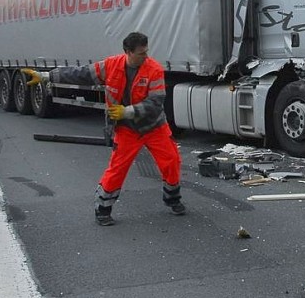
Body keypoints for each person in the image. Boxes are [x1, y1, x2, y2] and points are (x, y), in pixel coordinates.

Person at [22, 32, 184, 226]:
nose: (145, 56)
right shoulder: (110, 66)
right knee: (117, 169)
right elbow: (80, 73)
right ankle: (103, 208)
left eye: (146, 52)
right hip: (127, 130)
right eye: (141, 53)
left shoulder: (154, 70)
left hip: (153, 126)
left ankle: (173, 198)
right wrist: (46, 76)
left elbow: (156, 103)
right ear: (128, 52)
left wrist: (128, 112)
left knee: (172, 161)